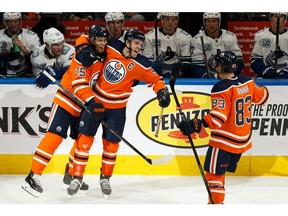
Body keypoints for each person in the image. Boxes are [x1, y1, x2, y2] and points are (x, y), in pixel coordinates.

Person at [66, 28, 171, 197]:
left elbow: (156, 80)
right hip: (95, 103)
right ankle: (76, 177)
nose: (139, 47)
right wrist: (82, 48)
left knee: (111, 145)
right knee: (84, 141)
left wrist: (161, 92)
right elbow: (86, 38)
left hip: (117, 110)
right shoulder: (111, 47)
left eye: (141, 44)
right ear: (127, 41)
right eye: (136, 43)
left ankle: (105, 178)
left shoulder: (142, 64)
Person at [21, 24, 108, 198]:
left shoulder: (101, 53)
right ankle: (33, 175)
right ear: (91, 40)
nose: (103, 44)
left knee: (79, 141)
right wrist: (91, 101)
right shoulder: (82, 53)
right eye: (99, 40)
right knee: (54, 137)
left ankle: (70, 174)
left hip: (83, 104)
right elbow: (77, 81)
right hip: (67, 100)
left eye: (105, 40)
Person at [177, 50, 269, 204]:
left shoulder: (221, 87)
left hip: (224, 142)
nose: (216, 67)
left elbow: (218, 119)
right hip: (242, 141)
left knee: (214, 177)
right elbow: (263, 97)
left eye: (218, 64)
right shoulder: (247, 81)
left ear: (222, 67)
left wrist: (195, 124)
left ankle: (216, 206)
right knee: (219, 174)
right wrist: (259, 86)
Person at [191, 12, 244, 78]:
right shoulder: (197, 39)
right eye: (208, 21)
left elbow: (239, 62)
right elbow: (196, 67)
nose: (211, 24)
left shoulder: (231, 37)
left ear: (219, 22)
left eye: (214, 21)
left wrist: (228, 75)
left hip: (228, 77)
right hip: (208, 79)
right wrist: (214, 76)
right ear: (204, 22)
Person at [142, 12, 192, 78]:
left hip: (178, 76)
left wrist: (178, 70)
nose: (170, 22)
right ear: (162, 20)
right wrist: (154, 68)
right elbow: (147, 61)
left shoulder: (185, 37)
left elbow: (186, 63)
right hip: (155, 76)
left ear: (177, 21)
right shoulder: (149, 37)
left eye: (173, 20)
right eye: (167, 19)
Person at [0, 12, 41, 77]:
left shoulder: (31, 36)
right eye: (10, 22)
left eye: (16, 21)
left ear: (20, 21)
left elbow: (40, 59)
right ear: (5, 23)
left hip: (26, 75)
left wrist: (25, 50)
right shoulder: (0, 35)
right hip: (3, 75)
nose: (13, 25)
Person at [250, 12, 288, 79]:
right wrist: (266, 71)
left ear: (285, 19)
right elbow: (255, 60)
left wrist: (286, 72)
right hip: (266, 75)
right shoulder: (260, 35)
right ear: (271, 18)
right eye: (275, 16)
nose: (278, 19)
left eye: (281, 16)